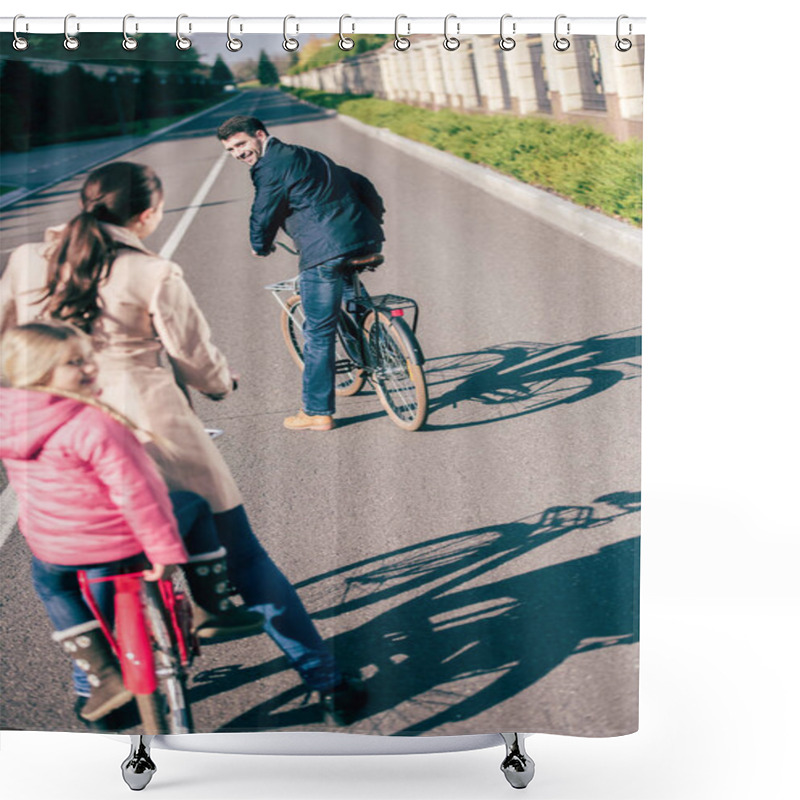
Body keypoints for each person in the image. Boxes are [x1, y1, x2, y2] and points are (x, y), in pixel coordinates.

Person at [0, 162, 366, 726]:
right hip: (154, 430)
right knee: (243, 558)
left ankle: (93, 685)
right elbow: (196, 361)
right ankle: (325, 681)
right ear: (146, 217)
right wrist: (221, 385)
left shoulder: (25, 260)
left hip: (57, 430)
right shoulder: (152, 273)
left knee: (73, 555)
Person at [0, 321, 265, 724]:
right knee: (192, 504)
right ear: (39, 369)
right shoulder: (94, 424)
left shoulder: (10, 420)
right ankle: (214, 605)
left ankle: (101, 673)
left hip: (54, 546)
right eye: (75, 363)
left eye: (89, 359)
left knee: (51, 586)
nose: (90, 368)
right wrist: (162, 550)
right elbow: (138, 494)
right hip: (114, 540)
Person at [217, 114, 386, 431]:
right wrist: (373, 221)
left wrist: (260, 245)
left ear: (259, 134)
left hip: (324, 251)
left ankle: (316, 412)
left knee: (318, 333)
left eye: (240, 144)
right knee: (349, 296)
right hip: (364, 238)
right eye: (230, 150)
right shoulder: (307, 154)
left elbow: (264, 211)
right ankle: (372, 354)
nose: (238, 153)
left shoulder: (269, 167)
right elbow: (360, 182)